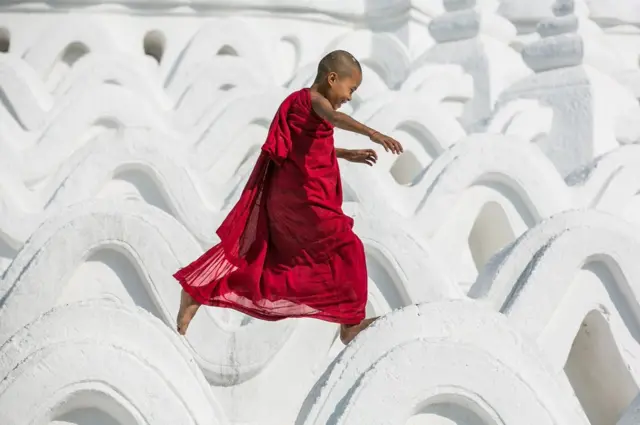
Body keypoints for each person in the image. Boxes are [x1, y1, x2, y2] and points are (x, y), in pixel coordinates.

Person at [174, 50, 403, 345]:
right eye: (351, 88)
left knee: (288, 267)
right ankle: (350, 323)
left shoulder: (302, 104)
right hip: (301, 199)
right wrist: (373, 134)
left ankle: (200, 290)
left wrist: (346, 154)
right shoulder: (313, 101)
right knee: (347, 246)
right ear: (332, 79)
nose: (350, 96)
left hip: (298, 196)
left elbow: (306, 149)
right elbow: (333, 117)